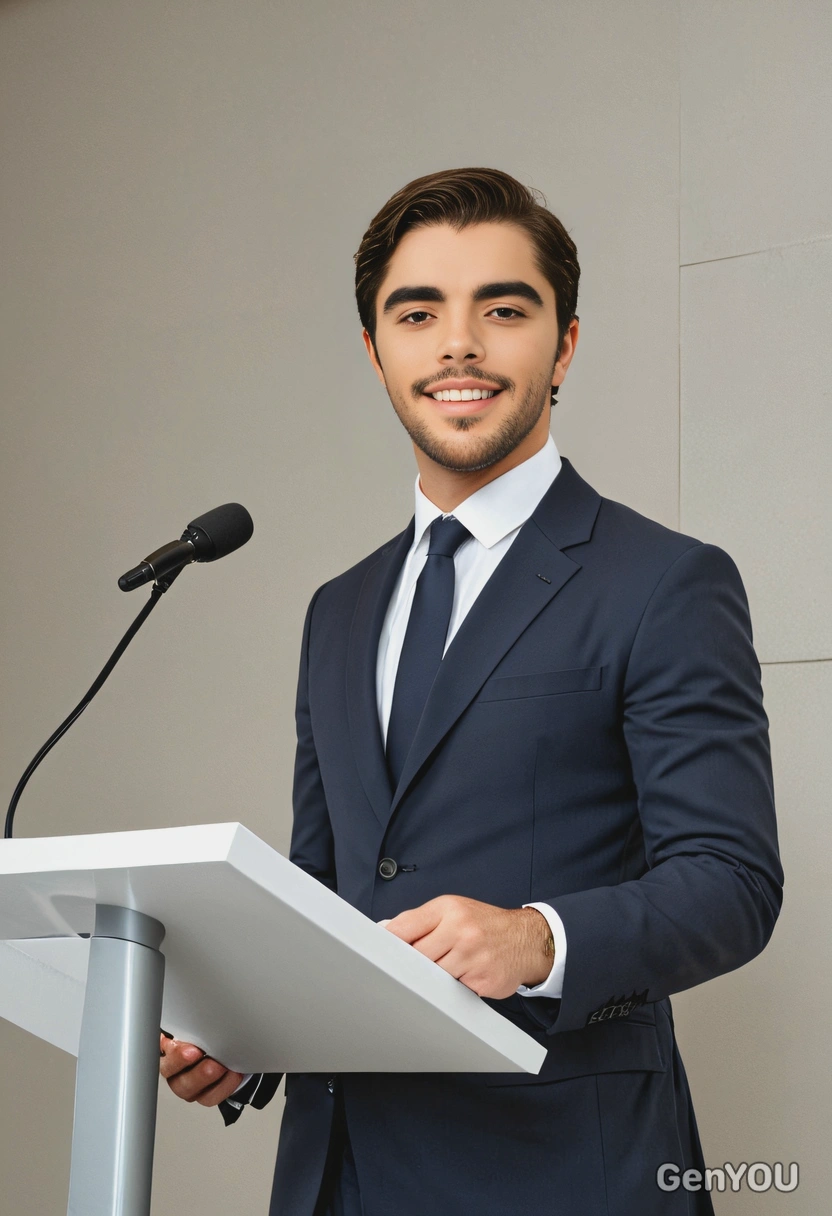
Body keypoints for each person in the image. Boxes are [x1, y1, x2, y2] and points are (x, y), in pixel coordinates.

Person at [160, 167, 783, 1216]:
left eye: (503, 309)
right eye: (418, 313)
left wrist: (540, 936)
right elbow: (328, 890)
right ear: (375, 352)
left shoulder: (664, 581)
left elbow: (731, 881)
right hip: (339, 1171)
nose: (458, 344)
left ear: (565, 346)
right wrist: (246, 1037)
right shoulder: (338, 608)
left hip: (560, 1172)